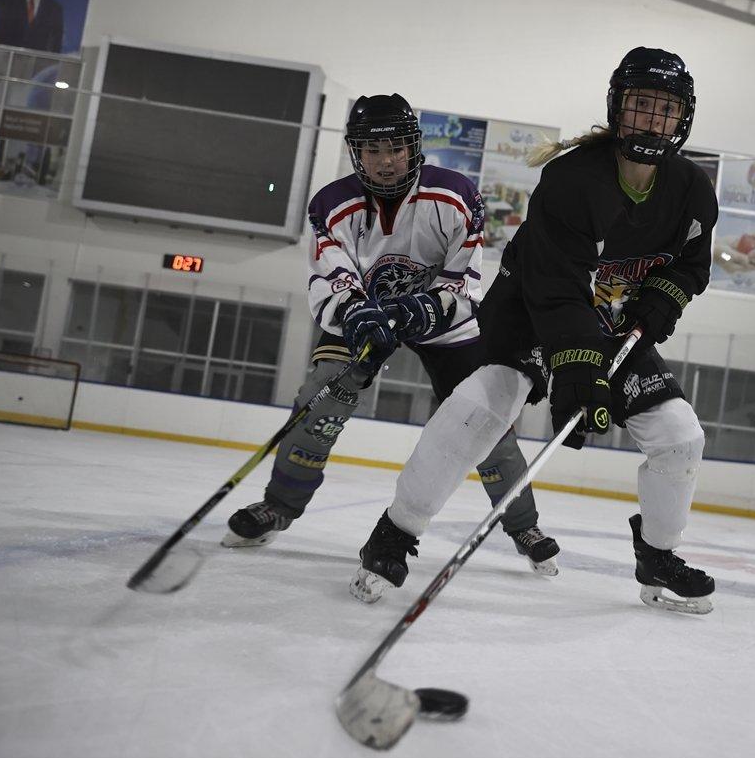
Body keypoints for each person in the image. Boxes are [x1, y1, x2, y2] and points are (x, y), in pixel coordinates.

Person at [349, 48, 719, 614]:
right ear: (618, 108)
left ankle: (658, 556)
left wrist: (656, 309)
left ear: (681, 119)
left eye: (663, 110)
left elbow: (690, 266)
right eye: (640, 106)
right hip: (529, 311)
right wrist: (576, 372)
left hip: (614, 326)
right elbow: (554, 286)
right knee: (477, 410)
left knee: (680, 436)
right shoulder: (572, 179)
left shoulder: (693, 190)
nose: (650, 120)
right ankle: (394, 535)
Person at [221, 94, 561, 577]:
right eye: (372, 150)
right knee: (320, 397)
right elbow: (329, 277)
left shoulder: (456, 195)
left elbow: (467, 280)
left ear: (413, 147)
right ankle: (279, 505)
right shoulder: (331, 205)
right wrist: (358, 312)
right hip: (368, 319)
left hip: (444, 324)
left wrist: (424, 308)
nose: (385, 161)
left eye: (395, 148)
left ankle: (522, 523)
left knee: (485, 419)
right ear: (356, 152)